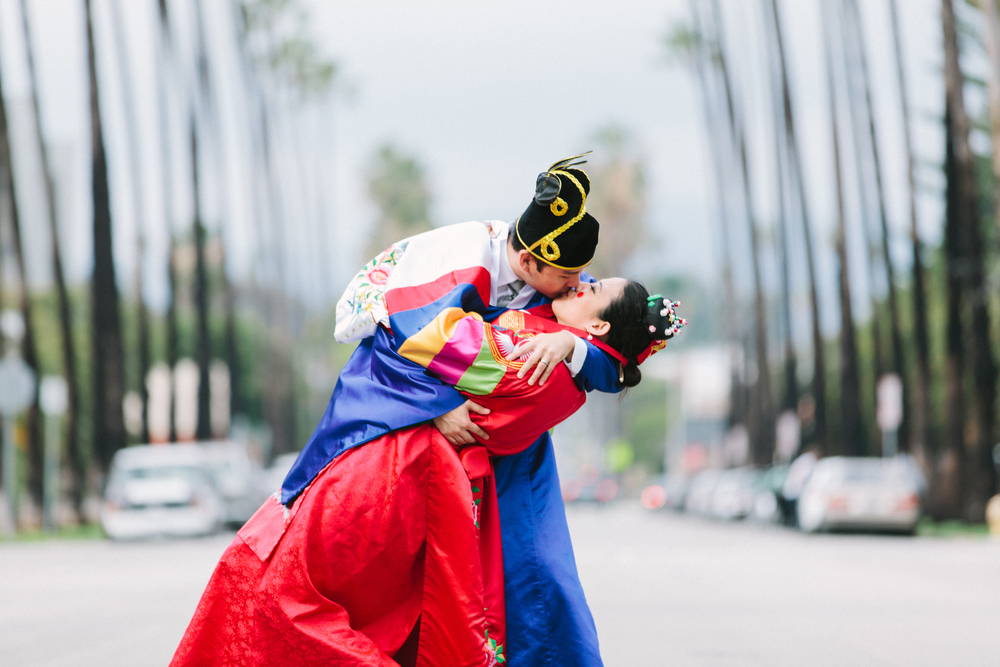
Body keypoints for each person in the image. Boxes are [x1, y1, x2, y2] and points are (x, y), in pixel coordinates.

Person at [171, 278, 683, 666]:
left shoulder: (533, 361)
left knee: (282, 594)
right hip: (406, 478)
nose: (579, 280)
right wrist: (578, 349)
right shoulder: (557, 351)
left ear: (598, 326)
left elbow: (425, 338)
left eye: (593, 287)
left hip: (391, 478)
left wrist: (392, 307)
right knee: (304, 595)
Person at [282, 153, 625, 664]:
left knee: (539, 579)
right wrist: (437, 410)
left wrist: (571, 348)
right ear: (531, 262)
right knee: (401, 589)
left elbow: (621, 348)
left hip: (508, 463)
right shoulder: (453, 262)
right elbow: (393, 348)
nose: (579, 286)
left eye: (581, 279)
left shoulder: (561, 282)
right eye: (569, 277)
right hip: (408, 432)